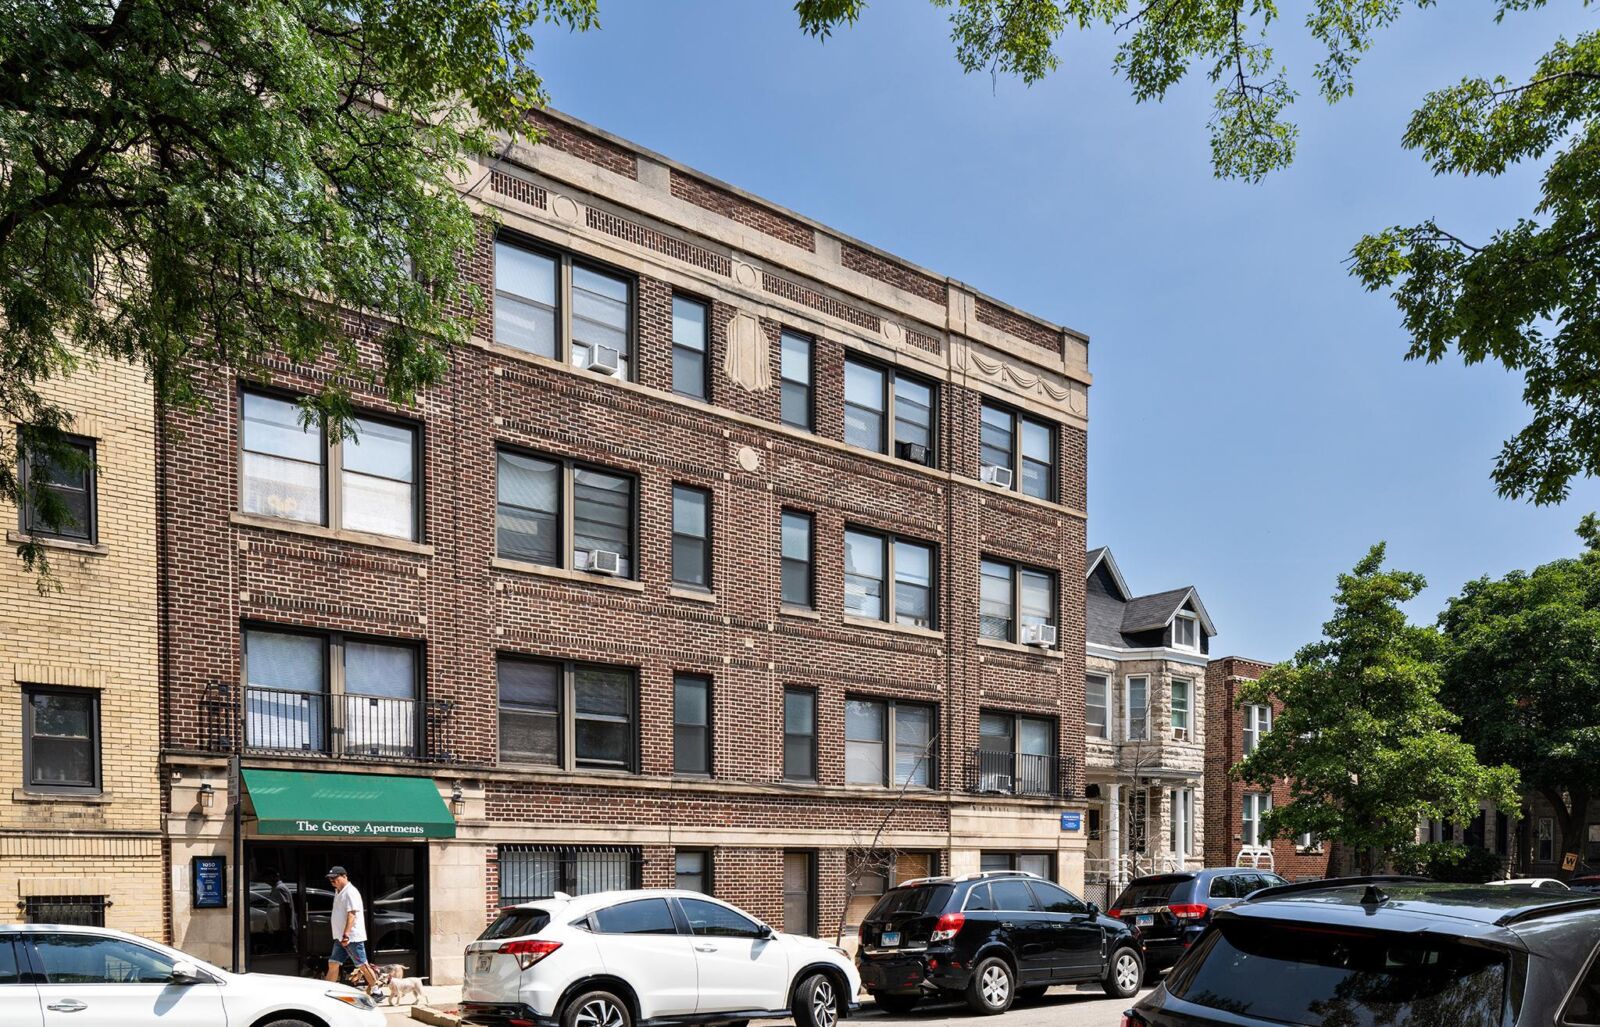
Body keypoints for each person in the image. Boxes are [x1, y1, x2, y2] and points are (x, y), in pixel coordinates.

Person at [325, 866, 382, 997]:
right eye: (330, 879)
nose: (332, 881)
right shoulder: (338, 891)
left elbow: (352, 914)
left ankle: (376, 989)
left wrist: (346, 934)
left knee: (362, 964)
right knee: (333, 963)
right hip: (341, 937)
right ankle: (327, 990)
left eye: (335, 878)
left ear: (344, 876)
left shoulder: (351, 892)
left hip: (351, 937)